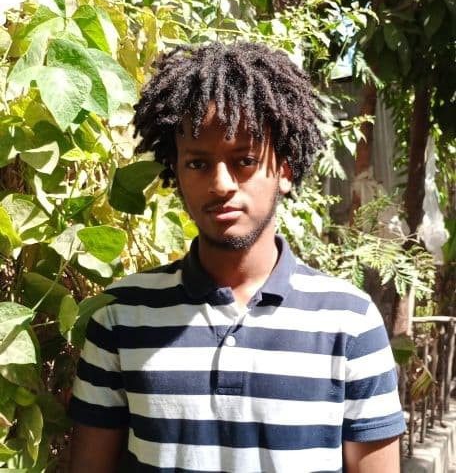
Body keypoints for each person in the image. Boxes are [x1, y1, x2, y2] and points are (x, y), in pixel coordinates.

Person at [68, 41, 406, 473]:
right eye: (197, 164)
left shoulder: (349, 322)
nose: (221, 184)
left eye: (244, 160)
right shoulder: (121, 316)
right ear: (176, 172)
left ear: (284, 170)